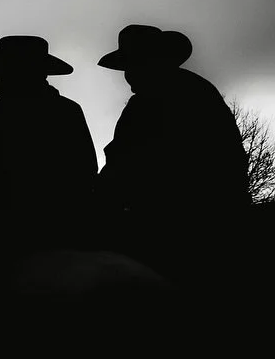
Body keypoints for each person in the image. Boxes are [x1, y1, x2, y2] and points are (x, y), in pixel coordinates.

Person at [96, 24, 250, 283]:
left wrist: (99, 204)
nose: (129, 75)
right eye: (127, 68)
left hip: (176, 228)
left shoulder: (152, 103)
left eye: (135, 65)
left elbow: (124, 164)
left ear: (153, 63)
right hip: (214, 222)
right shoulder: (195, 91)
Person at [0, 35, 97, 252]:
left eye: (2, 74)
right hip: (65, 234)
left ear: (16, 75)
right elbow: (86, 174)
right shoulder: (68, 112)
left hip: (1, 235)